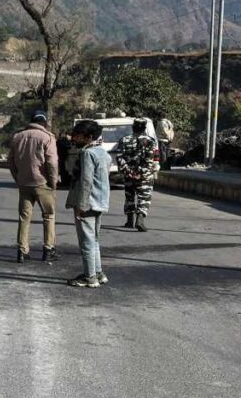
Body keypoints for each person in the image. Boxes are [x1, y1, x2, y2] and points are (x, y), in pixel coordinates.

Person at [8, 111, 60, 263]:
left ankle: (22, 251)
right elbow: (52, 162)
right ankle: (48, 249)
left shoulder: (18, 137)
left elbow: (10, 161)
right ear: (44, 123)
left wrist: (17, 178)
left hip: (24, 183)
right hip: (42, 183)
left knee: (24, 218)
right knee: (48, 216)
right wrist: (53, 182)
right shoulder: (47, 137)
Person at [65, 120, 111, 288]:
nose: (75, 138)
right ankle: (98, 273)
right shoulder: (104, 153)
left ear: (88, 137)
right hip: (100, 202)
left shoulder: (87, 154)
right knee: (94, 240)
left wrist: (81, 205)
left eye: (78, 136)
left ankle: (89, 276)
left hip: (88, 203)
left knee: (86, 242)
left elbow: (86, 181)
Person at [115, 118, 160, 232]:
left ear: (133, 127)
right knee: (144, 197)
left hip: (128, 175)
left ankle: (129, 221)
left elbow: (119, 158)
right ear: (144, 128)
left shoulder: (124, 140)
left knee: (129, 196)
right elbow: (151, 159)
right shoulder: (151, 141)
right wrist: (140, 173)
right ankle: (140, 220)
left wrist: (129, 172)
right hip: (145, 176)